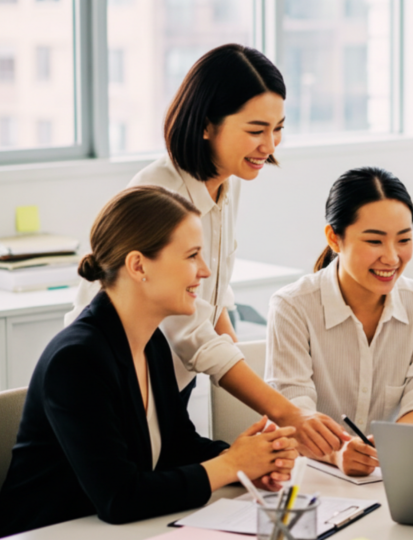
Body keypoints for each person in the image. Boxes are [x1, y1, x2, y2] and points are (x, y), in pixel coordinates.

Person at [65, 44, 348, 459]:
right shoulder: (164, 195)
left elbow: (214, 300)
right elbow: (193, 335)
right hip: (113, 379)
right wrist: (287, 413)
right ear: (206, 125)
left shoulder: (225, 182)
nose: (270, 145)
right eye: (256, 130)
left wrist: (267, 408)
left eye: (278, 128)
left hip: (163, 382)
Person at [0, 186, 299, 536]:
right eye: (191, 256)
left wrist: (251, 460)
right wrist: (231, 464)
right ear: (139, 265)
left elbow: (177, 446)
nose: (204, 271)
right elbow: (120, 498)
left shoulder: (152, 342)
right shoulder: (76, 360)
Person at [265, 167, 413, 477]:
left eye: (403, 240)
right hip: (313, 473)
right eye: (375, 242)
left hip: (393, 472)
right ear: (334, 238)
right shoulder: (292, 306)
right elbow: (294, 411)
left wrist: (390, 448)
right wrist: (338, 454)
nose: (391, 258)